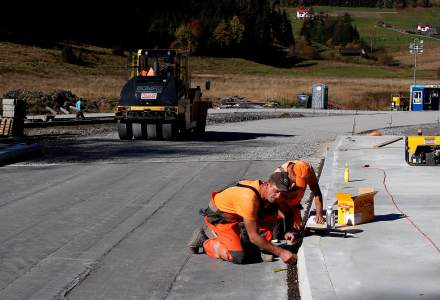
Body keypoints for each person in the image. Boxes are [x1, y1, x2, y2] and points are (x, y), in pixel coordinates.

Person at [188, 172, 297, 265]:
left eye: (281, 193)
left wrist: (288, 231)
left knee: (273, 207)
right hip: (220, 218)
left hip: (239, 215)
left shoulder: (268, 192)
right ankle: (203, 241)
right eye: (276, 191)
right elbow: (253, 236)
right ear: (267, 184)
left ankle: (261, 246)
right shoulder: (249, 199)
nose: (278, 195)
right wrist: (281, 252)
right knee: (238, 256)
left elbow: (288, 212)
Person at [269, 160, 324, 240]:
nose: (300, 185)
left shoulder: (308, 170)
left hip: (295, 206)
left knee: (297, 234)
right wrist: (288, 219)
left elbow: (317, 193)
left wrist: (319, 214)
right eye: (297, 180)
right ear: (291, 173)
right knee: (277, 238)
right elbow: (272, 202)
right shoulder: (278, 175)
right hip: (279, 208)